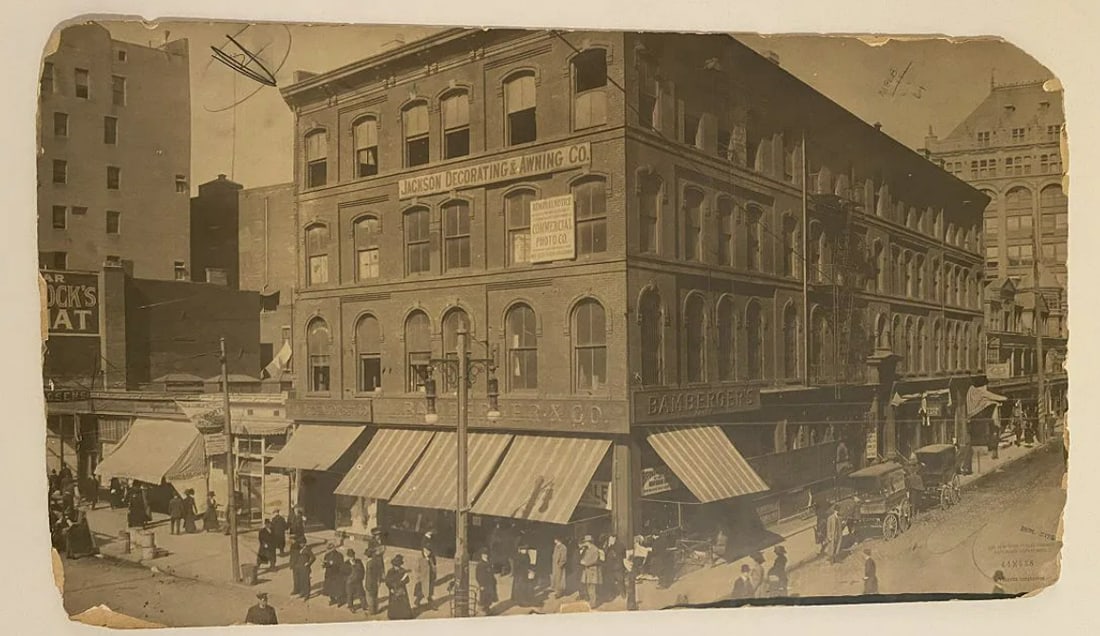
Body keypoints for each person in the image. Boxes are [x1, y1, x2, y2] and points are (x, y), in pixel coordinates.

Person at [384, 554, 413, 620]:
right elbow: (387, 581)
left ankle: (404, 615)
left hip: (401, 590)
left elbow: (407, 580)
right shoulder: (390, 571)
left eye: (398, 566)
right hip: (393, 590)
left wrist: (402, 582)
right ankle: (394, 616)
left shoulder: (403, 570)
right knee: (394, 605)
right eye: (395, 566)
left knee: (403, 604)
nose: (397, 567)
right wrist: (390, 588)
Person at [578, 534, 603, 607]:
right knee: (588, 586)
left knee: (592, 587)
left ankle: (593, 603)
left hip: (592, 570)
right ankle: (592, 601)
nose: (584, 543)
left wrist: (585, 563)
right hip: (587, 570)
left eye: (585, 542)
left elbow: (595, 560)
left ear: (588, 542)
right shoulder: (587, 549)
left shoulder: (594, 549)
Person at [603, 535, 626, 601]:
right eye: (609, 539)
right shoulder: (608, 545)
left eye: (611, 538)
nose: (610, 540)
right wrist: (608, 546)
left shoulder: (620, 545)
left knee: (620, 581)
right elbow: (604, 553)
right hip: (610, 567)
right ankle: (612, 595)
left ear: (615, 538)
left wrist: (611, 546)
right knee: (610, 582)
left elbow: (621, 553)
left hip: (618, 566)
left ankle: (623, 594)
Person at [475, 549, 498, 616]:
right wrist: (481, 585)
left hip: (490, 583)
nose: (486, 556)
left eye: (486, 554)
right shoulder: (480, 564)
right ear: (482, 555)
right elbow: (478, 576)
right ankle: (483, 610)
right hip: (484, 584)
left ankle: (487, 609)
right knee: (484, 597)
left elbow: (491, 573)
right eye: (484, 555)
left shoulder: (489, 563)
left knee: (489, 597)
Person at [511, 542, 533, 607]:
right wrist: (526, 570)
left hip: (524, 573)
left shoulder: (526, 555)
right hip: (520, 574)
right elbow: (518, 566)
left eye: (526, 550)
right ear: (520, 550)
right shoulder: (518, 556)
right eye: (524, 549)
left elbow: (528, 563)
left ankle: (523, 599)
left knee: (524, 587)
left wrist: (529, 569)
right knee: (520, 587)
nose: (525, 551)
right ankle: (520, 601)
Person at [365, 545, 385, 614]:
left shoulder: (369, 563)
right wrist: (378, 580)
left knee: (370, 598)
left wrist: (367, 585)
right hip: (375, 582)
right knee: (375, 596)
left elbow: (369, 576)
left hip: (370, 583)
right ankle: (375, 609)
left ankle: (372, 611)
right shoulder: (375, 561)